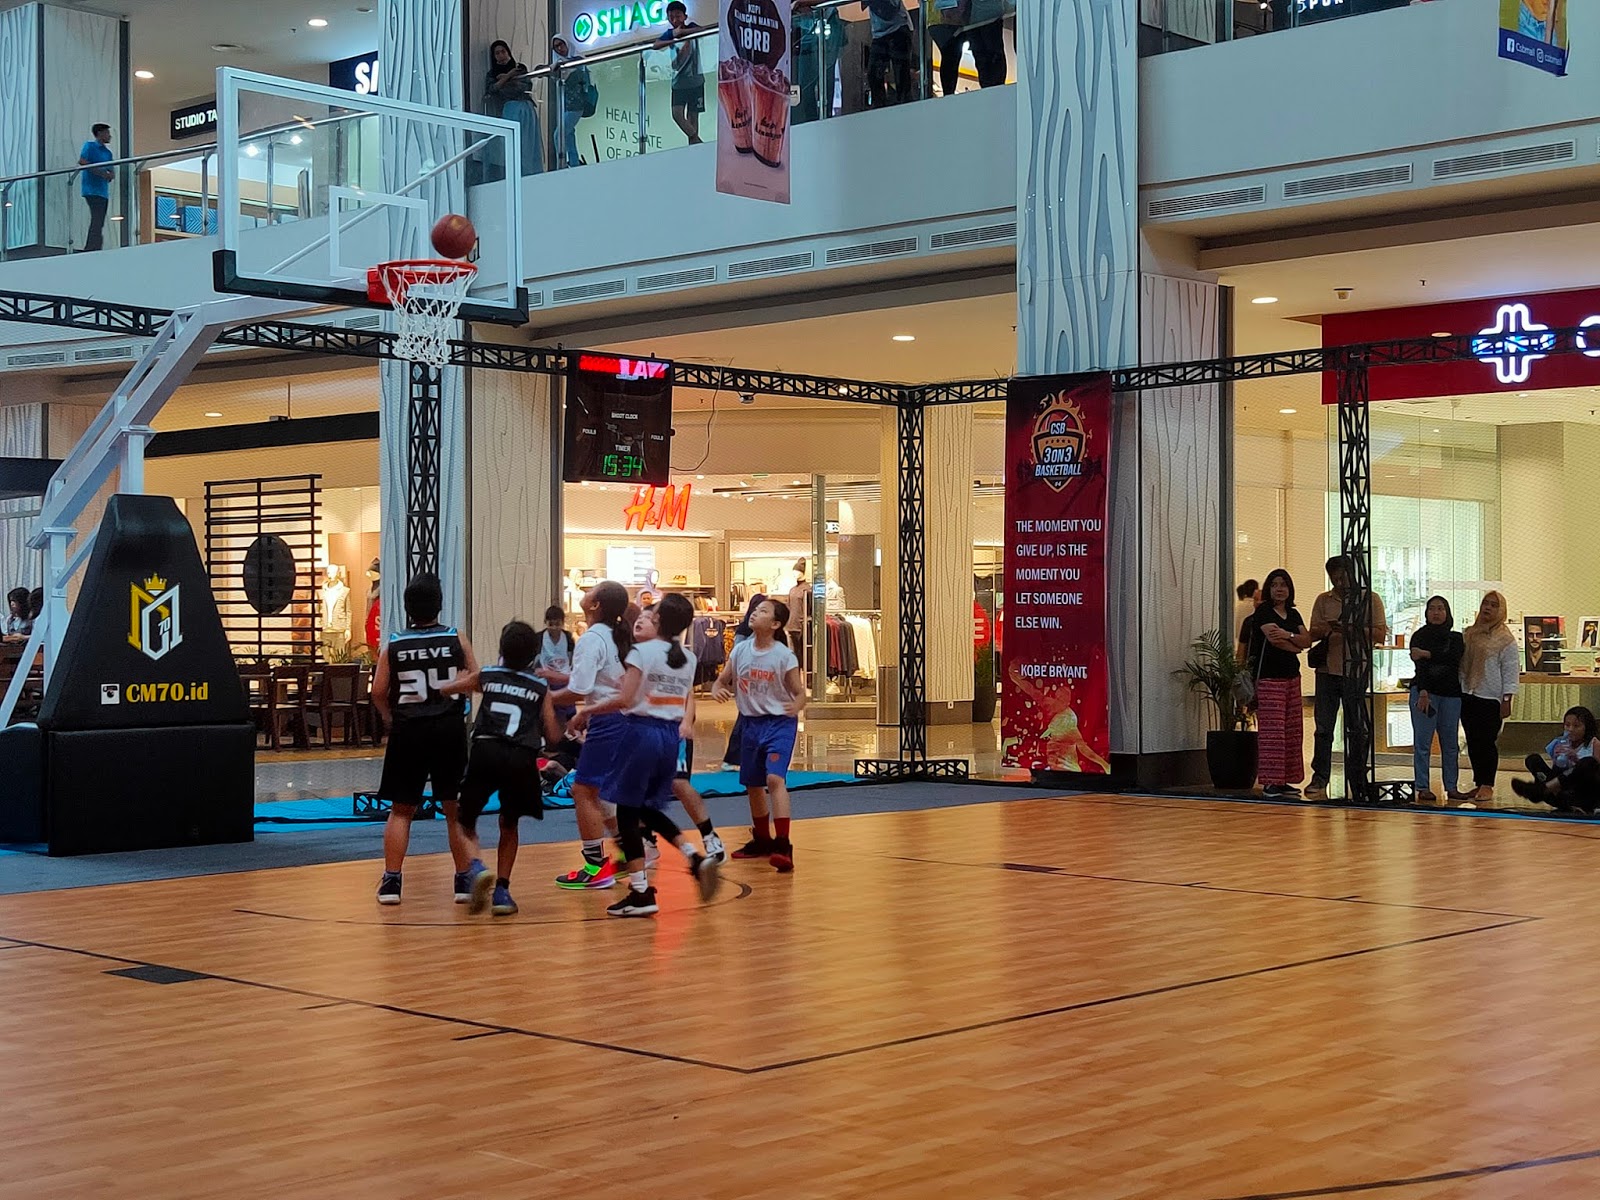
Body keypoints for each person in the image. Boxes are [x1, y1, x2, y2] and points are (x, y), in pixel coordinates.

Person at [574, 595, 723, 916]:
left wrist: (586, 711)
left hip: (641, 733)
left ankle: (641, 891)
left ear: (658, 620)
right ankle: (692, 856)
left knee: (627, 812)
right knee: (644, 808)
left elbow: (625, 700)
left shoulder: (642, 652)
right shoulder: (688, 658)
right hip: (669, 739)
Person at [371, 573, 479, 905]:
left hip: (409, 731)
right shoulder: (456, 638)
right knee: (454, 809)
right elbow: (477, 679)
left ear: (406, 607)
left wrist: (390, 719)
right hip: (449, 730)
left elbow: (377, 691)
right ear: (439, 605)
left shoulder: (394, 643)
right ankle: (463, 881)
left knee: (401, 810)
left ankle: (392, 882)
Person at [442, 620, 562, 916]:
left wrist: (457, 681)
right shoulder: (540, 686)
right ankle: (503, 892)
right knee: (509, 824)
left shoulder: (488, 675)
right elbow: (553, 735)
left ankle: (477, 867)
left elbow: (448, 689)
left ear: (501, 650)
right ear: (534, 654)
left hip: (487, 749)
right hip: (521, 756)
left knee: (464, 820)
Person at [548, 580, 633, 889]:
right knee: (599, 791)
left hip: (609, 723)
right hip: (623, 720)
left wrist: (544, 699)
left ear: (595, 605)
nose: (585, 592)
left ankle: (596, 867)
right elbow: (598, 684)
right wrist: (585, 712)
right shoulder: (615, 636)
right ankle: (631, 851)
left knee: (582, 790)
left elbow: (579, 689)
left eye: (592, 590)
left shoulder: (592, 638)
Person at [712, 597, 806, 870]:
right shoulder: (740, 650)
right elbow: (722, 679)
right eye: (755, 610)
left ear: (775, 624)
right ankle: (762, 840)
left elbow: (799, 693)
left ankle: (783, 844)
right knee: (752, 784)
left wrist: (796, 706)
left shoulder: (784, 656)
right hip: (750, 724)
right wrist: (718, 687)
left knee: (774, 778)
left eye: (762, 611)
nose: (754, 613)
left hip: (779, 724)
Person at [1306, 555, 1389, 800]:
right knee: (1323, 728)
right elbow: (1312, 632)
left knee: (1357, 727)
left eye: (1342, 577)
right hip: (1327, 670)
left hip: (1356, 669)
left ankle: (1358, 777)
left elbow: (1380, 635)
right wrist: (1328, 629)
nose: (1339, 583)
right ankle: (1320, 777)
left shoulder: (1370, 599)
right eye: (1334, 579)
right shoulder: (1324, 600)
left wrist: (1352, 629)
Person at [1238, 568, 1311, 798]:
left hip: (1292, 678)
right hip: (1269, 679)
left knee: (1292, 731)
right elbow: (1274, 640)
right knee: (1273, 732)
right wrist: (1295, 645)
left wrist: (1290, 637)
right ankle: (1271, 782)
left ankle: (1285, 780)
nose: (1280, 589)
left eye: (1284, 585)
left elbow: (1307, 640)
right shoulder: (1264, 612)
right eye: (1275, 585)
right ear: (1269, 589)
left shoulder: (1294, 614)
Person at [1459, 590, 1520, 808]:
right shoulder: (1470, 634)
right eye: (1486, 603)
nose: (1488, 608)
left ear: (1501, 610)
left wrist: (1507, 699)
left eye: (1494, 605)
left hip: (1491, 697)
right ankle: (1478, 782)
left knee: (1486, 743)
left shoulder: (1506, 640)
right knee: (1473, 742)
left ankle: (1488, 784)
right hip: (1468, 694)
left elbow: (1510, 671)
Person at [1408, 595, 1464, 805]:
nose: (1436, 612)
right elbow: (1420, 666)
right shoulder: (1419, 636)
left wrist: (1426, 654)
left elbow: (1452, 658)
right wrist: (1424, 691)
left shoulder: (1456, 638)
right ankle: (1422, 786)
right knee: (1423, 743)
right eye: (1432, 608)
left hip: (1451, 694)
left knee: (1450, 744)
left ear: (1447, 612)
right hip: (1425, 694)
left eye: (1441, 608)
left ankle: (1451, 786)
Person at [1512, 707, 1600, 814]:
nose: (1570, 729)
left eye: (1576, 726)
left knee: (1588, 762)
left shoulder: (1594, 744)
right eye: (1567, 725)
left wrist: (1576, 760)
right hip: (1561, 792)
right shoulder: (1560, 742)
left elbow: (1595, 774)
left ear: (1587, 728)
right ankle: (1553, 796)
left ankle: (1541, 790)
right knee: (1533, 759)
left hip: (1584, 792)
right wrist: (1558, 759)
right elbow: (1557, 774)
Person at [720, 592, 768, 770]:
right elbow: (737, 654)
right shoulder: (744, 631)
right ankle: (733, 758)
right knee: (746, 718)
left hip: (763, 681)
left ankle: (747, 758)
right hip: (747, 680)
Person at [485, 40, 542, 176]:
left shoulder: (520, 68)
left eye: (503, 51)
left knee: (529, 143)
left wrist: (504, 79)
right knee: (514, 145)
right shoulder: (492, 73)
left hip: (526, 107)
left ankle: (531, 174)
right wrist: (509, 76)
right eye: (497, 53)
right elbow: (493, 89)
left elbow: (525, 86)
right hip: (510, 108)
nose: (501, 55)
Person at [655, 1, 705, 145]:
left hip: (696, 80)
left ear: (685, 16)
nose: (675, 19)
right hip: (678, 82)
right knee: (677, 114)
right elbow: (655, 45)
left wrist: (683, 33)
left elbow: (703, 30)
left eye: (678, 16)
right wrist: (674, 35)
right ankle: (697, 141)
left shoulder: (691, 27)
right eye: (671, 17)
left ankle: (694, 147)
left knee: (693, 116)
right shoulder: (669, 34)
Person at [863, 0, 914, 106]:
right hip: (883, 32)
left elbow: (889, 12)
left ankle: (902, 106)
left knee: (900, 74)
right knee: (874, 75)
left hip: (897, 29)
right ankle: (881, 106)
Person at [551, 36, 592, 168]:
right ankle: (574, 163)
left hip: (576, 105)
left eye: (561, 44)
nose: (560, 48)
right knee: (569, 135)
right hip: (565, 105)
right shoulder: (559, 65)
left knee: (559, 135)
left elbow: (578, 68)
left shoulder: (577, 60)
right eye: (556, 47)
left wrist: (560, 64)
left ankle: (561, 165)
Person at [536, 604, 576, 725]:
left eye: (557, 624)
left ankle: (569, 728)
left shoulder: (568, 638)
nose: (554, 628)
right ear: (545, 622)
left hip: (564, 677)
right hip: (546, 678)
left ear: (563, 623)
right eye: (551, 624)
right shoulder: (539, 638)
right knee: (548, 709)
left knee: (568, 710)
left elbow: (572, 657)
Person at [77, 124, 114, 252]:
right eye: (107, 133)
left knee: (100, 219)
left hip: (103, 191)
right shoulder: (90, 146)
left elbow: (111, 173)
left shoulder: (108, 153)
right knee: (97, 218)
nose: (109, 136)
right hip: (91, 189)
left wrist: (108, 175)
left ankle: (96, 245)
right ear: (100, 133)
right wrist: (101, 173)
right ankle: (92, 246)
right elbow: (82, 161)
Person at [1233, 579, 1260, 645]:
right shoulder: (1255, 607)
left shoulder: (1237, 606)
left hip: (1238, 641)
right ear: (1256, 590)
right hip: (1251, 642)